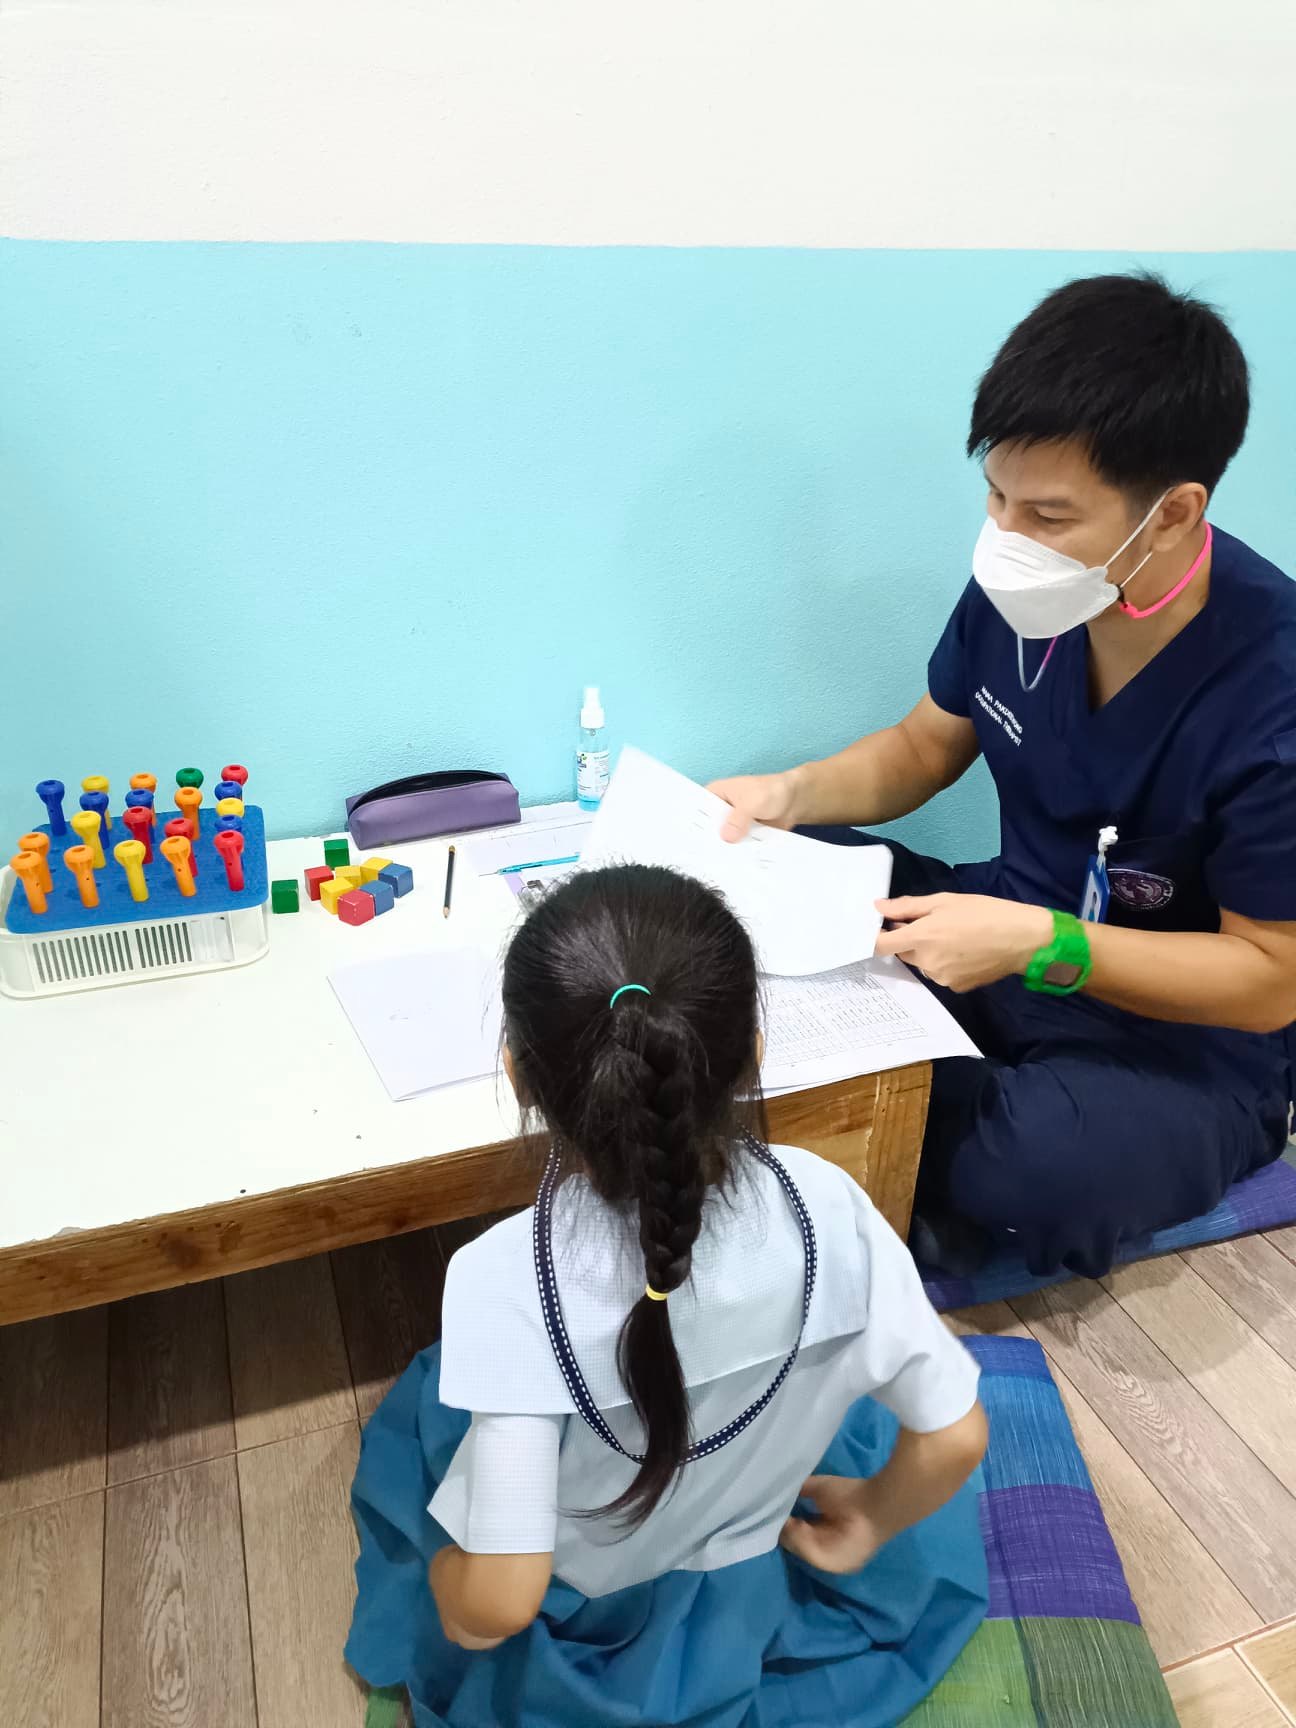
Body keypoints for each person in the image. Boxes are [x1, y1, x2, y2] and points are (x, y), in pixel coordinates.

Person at [711, 272, 1296, 1280]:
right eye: (996, 496)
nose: (1007, 537)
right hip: (997, 931)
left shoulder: (1271, 689)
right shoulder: (1032, 592)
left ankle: (902, 1117)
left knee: (1044, 1167)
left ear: (1171, 513)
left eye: (1049, 514)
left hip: (1177, 1042)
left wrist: (1043, 944)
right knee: (765, 862)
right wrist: (785, 796)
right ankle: (907, 1118)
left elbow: (1268, 980)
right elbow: (921, 748)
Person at [345, 864, 988, 1728]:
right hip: (750, 1560)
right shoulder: (829, 1204)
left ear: (520, 1079)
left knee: (432, 1422)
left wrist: (448, 1590)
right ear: (753, 1054)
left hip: (596, 1610)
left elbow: (502, 1598)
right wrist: (871, 1518)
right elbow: (955, 1437)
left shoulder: (504, 1280)